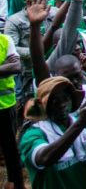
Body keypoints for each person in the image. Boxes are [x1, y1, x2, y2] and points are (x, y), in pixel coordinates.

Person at [19, 76, 86, 189]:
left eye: (65, 98)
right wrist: (80, 124)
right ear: (42, 107)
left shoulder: (83, 128)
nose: (62, 104)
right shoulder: (33, 135)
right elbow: (44, 158)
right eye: (54, 101)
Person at [0, 32, 22, 189]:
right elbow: (10, 66)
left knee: (11, 151)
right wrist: (4, 67)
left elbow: (16, 67)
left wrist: (10, 66)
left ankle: (18, 184)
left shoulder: (5, 40)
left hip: (6, 106)